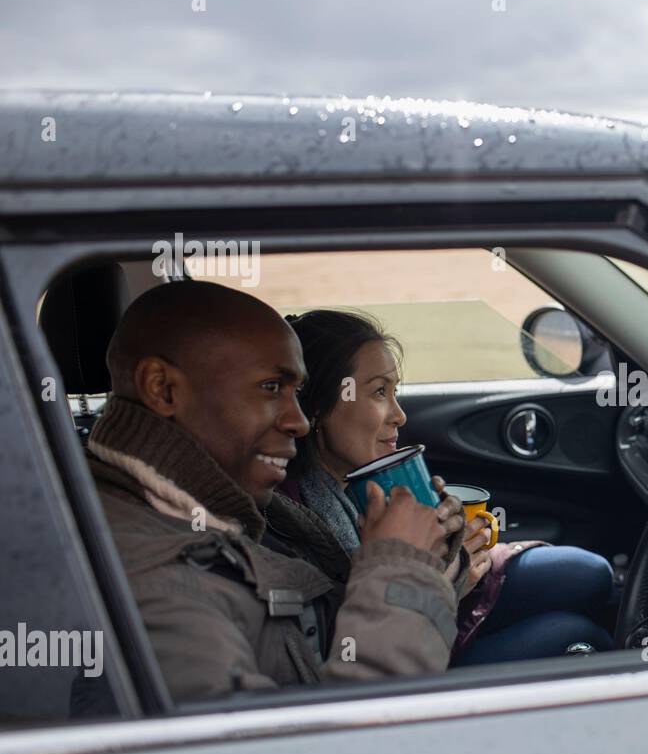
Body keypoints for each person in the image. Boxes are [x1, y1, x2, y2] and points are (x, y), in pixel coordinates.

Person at [88, 280, 469, 700]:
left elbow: (325, 629)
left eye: (296, 393)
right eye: (271, 387)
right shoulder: (159, 584)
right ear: (163, 388)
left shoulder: (217, 513)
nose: (299, 421)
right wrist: (401, 566)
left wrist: (426, 558)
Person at [284, 309, 615, 663]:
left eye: (395, 392)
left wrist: (450, 551)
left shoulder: (346, 487)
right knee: (580, 635)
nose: (400, 415)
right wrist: (449, 580)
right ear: (316, 406)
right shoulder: (289, 519)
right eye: (379, 392)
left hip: (440, 602)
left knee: (590, 574)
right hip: (413, 655)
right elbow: (353, 644)